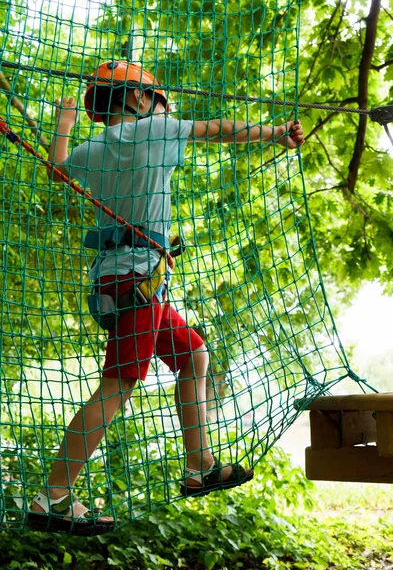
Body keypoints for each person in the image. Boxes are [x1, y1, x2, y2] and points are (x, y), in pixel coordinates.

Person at [28, 61, 305, 535]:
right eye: (156, 97)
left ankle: (198, 464)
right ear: (138, 99)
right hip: (137, 281)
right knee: (117, 387)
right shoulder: (156, 130)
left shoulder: (92, 148)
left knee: (194, 354)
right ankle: (52, 496)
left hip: (120, 282)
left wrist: (64, 126)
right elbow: (220, 129)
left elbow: (56, 171)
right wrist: (277, 132)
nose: (161, 106)